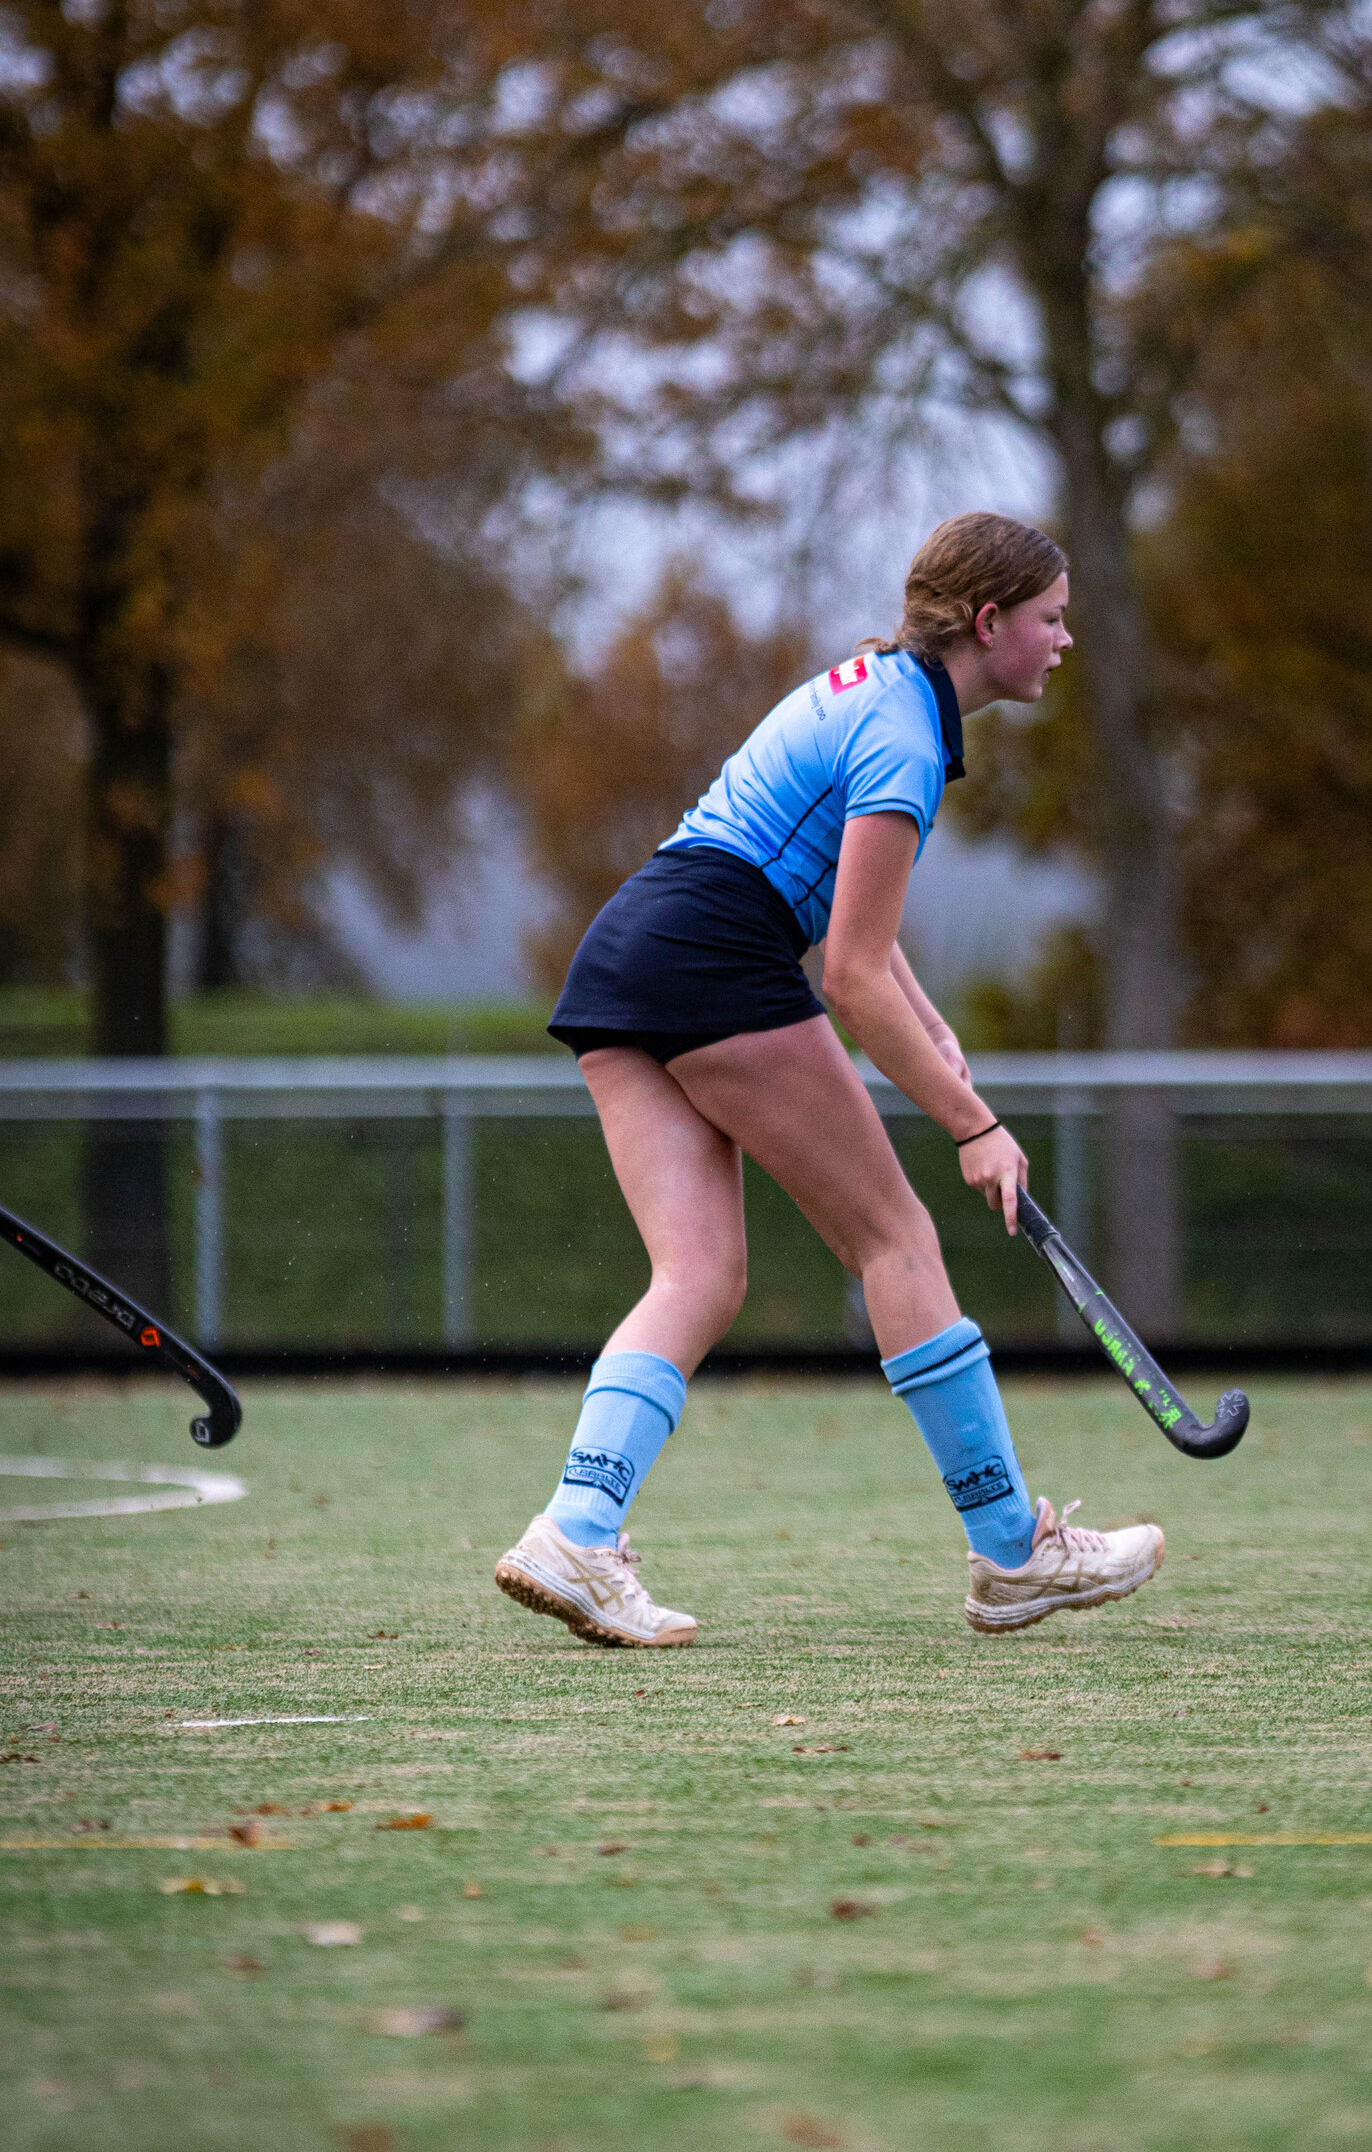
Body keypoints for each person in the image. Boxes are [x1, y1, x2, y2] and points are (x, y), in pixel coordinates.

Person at [493, 510, 1165, 1650]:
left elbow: (836, 908)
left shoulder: (879, 692)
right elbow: (847, 976)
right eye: (1050, 620)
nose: (1063, 641)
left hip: (632, 952)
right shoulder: (906, 736)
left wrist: (928, 1018)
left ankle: (576, 1532)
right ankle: (1012, 1554)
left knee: (699, 1271)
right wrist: (974, 1125)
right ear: (989, 620)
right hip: (714, 957)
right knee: (895, 1239)